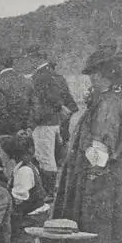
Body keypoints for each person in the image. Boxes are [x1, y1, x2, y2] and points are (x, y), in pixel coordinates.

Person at [52, 49, 122, 243]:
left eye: (95, 76)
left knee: (97, 227)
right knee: (117, 230)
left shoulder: (109, 102)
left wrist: (91, 175)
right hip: (118, 175)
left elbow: (101, 143)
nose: (92, 81)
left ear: (107, 75)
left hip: (101, 177)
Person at [29, 57, 79, 194]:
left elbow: (50, 96)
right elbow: (68, 99)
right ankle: (53, 188)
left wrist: (59, 106)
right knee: (53, 157)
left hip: (43, 122)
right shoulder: (57, 76)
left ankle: (48, 191)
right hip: (56, 122)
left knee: (45, 157)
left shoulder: (39, 76)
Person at [1, 134, 46, 243]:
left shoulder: (24, 171)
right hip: (32, 212)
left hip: (32, 216)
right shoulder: (25, 167)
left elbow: (19, 202)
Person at [0, 56, 33, 166]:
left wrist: (11, 128)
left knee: (8, 161)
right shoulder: (25, 80)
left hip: (7, 130)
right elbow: (32, 104)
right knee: (23, 159)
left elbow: (1, 110)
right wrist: (25, 126)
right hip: (24, 128)